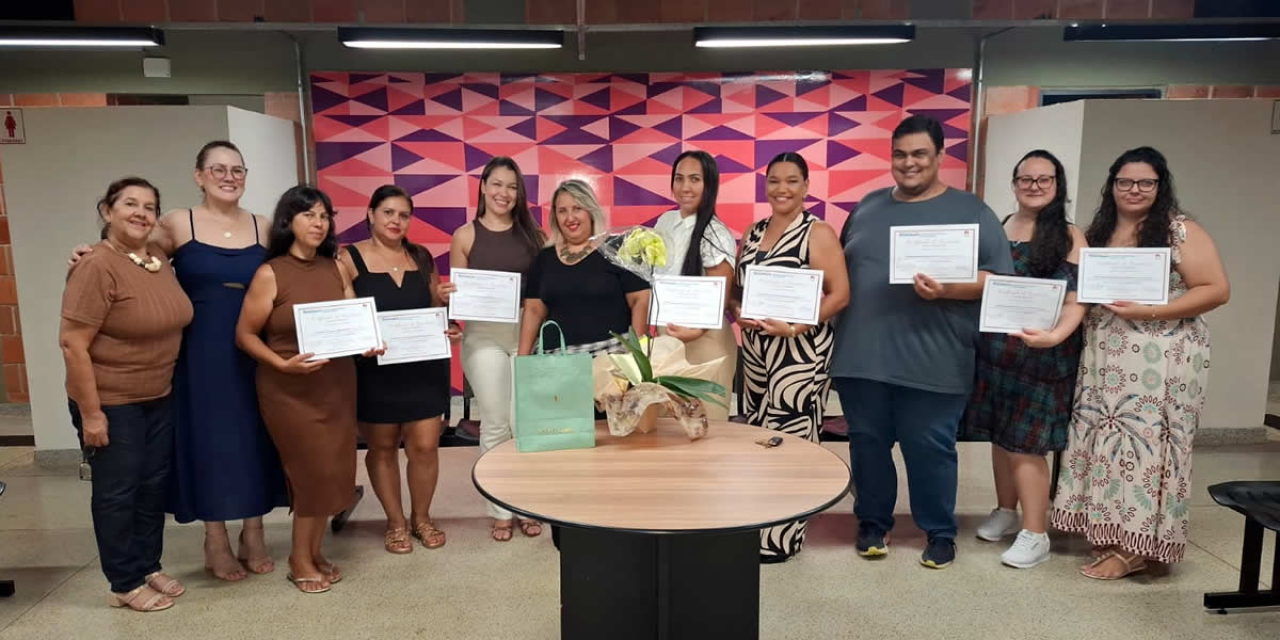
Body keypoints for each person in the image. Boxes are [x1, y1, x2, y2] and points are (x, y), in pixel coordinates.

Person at [68, 140, 286, 582]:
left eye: (237, 169)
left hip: (254, 351)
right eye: (218, 168)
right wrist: (85, 252)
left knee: (255, 438)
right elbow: (131, 254)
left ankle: (255, 530)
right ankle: (216, 538)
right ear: (198, 175)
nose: (228, 177)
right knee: (209, 443)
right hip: (200, 355)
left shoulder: (264, 226)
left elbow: (295, 270)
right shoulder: (176, 223)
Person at [831, 115, 1015, 570]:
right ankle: (873, 522)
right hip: (862, 356)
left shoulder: (973, 212)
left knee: (930, 448)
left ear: (939, 157)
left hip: (935, 357)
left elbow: (1000, 280)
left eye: (919, 154)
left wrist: (949, 289)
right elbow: (838, 272)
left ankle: (939, 531)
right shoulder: (868, 207)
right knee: (867, 445)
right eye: (899, 154)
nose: (908, 163)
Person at [1051, 146, 1229, 580]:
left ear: (1159, 186)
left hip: (1163, 359)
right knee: (1109, 446)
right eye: (1124, 182)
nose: (1134, 190)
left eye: (1145, 182)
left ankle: (1139, 548)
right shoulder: (1099, 231)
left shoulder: (1179, 231)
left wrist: (1149, 311)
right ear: (1111, 186)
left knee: (1147, 448)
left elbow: (1215, 289)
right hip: (1104, 358)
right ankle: (1112, 534)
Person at [235, 186, 380, 594]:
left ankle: (315, 553)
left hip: (336, 385)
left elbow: (354, 319)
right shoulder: (271, 272)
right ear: (288, 222)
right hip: (288, 389)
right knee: (310, 475)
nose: (319, 223)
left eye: (324, 216)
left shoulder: (335, 267)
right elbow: (245, 334)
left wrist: (368, 340)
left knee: (333, 472)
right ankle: (299, 560)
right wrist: (281, 363)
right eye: (308, 216)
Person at [60, 178, 194, 611]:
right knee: (118, 491)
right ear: (107, 211)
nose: (141, 212)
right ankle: (123, 581)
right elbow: (72, 343)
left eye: (149, 206)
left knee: (152, 486)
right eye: (130, 204)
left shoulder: (155, 256)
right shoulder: (96, 265)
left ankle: (147, 564)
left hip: (158, 393)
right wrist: (92, 414)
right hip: (111, 401)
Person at [958, 150, 1088, 569]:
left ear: (1057, 185)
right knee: (1001, 435)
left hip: (1043, 354)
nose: (1034, 185)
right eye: (1026, 178)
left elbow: (1076, 300)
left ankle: (1036, 533)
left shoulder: (1070, 236)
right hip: (996, 352)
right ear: (1014, 183)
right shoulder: (999, 227)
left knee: (1027, 445)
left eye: (1044, 179)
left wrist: (1054, 337)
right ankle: (1005, 511)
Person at [729, 152, 849, 563]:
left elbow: (840, 294)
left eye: (792, 181)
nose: (782, 188)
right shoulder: (754, 230)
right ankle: (761, 519)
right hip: (758, 351)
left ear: (806, 186)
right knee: (759, 436)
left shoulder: (817, 232)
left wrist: (798, 326)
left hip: (799, 351)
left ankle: (783, 537)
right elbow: (740, 292)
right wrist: (736, 311)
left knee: (792, 438)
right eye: (774, 180)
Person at [339, 185, 460, 554]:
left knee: (425, 446)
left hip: (423, 366)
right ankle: (395, 523)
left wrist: (447, 320)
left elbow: (434, 305)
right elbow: (347, 315)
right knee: (383, 447)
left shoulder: (422, 257)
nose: (396, 221)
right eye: (388, 212)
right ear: (371, 214)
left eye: (403, 215)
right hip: (374, 369)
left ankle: (421, 518)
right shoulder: (347, 259)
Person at [437, 157, 547, 543]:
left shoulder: (536, 236)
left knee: (525, 425)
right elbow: (458, 298)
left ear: (520, 194)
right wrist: (449, 304)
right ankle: (501, 508)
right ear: (483, 186)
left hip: (525, 333)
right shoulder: (464, 236)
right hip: (482, 337)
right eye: (497, 184)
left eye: (512, 187)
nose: (504, 193)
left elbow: (548, 288)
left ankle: (527, 503)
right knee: (497, 421)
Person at [519, 179, 651, 358]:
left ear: (590, 211)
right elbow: (533, 311)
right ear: (555, 217)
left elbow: (640, 301)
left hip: (612, 357)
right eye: (562, 211)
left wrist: (637, 356)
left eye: (577, 208)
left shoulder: (618, 247)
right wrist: (522, 360)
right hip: (556, 363)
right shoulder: (544, 259)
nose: (570, 218)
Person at [653, 151, 738, 420]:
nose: (685, 187)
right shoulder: (665, 222)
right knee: (669, 428)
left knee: (706, 427)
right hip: (670, 338)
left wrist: (695, 330)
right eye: (679, 179)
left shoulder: (715, 233)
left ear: (709, 185)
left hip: (706, 340)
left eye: (694, 179)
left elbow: (720, 296)